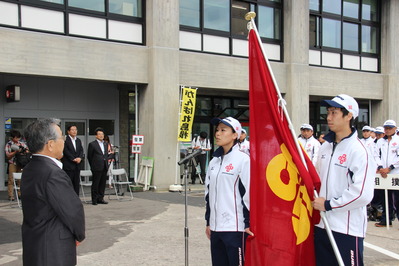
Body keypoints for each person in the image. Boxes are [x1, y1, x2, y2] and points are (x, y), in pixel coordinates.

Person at [313, 94, 375, 266]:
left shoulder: (359, 151)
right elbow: (317, 179)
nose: (329, 117)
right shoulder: (325, 147)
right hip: (322, 225)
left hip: (346, 229)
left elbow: (363, 194)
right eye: (328, 112)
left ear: (349, 116)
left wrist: (328, 204)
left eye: (334, 112)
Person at [21, 118, 85, 266]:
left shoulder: (31, 168)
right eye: (61, 136)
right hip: (53, 247)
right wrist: (78, 234)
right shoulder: (53, 173)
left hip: (34, 242)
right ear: (50, 144)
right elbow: (72, 209)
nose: (63, 140)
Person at [205, 117, 253, 266]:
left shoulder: (243, 160)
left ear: (235, 135)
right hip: (215, 228)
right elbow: (208, 194)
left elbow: (249, 194)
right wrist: (208, 221)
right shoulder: (214, 161)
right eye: (217, 130)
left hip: (235, 228)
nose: (218, 134)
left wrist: (249, 223)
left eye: (223, 130)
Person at [374, 120, 399, 227]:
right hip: (383, 174)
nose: (388, 130)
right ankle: (386, 220)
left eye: (390, 128)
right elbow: (375, 155)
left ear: (395, 128)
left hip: (395, 173)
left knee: (397, 199)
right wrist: (380, 167)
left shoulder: (398, 140)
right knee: (385, 198)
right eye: (386, 128)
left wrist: (390, 168)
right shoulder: (380, 142)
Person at [87, 127, 109, 205]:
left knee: (103, 184)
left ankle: (101, 198)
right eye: (99, 134)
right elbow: (89, 156)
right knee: (96, 184)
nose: (101, 136)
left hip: (104, 166)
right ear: (96, 136)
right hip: (96, 167)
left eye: (102, 134)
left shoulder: (106, 144)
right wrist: (92, 166)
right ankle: (94, 199)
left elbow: (106, 155)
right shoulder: (92, 144)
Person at [4, 130, 28, 201]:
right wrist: (15, 152)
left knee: (20, 180)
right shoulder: (9, 144)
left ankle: (20, 194)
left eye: (18, 138)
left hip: (21, 163)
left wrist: (24, 151)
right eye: (16, 138)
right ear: (12, 137)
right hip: (12, 163)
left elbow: (27, 151)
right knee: (11, 179)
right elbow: (8, 156)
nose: (18, 139)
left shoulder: (21, 144)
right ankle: (11, 195)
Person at [61, 125, 84, 195]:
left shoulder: (78, 140)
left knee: (76, 184)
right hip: (69, 165)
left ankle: (76, 199)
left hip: (77, 166)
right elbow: (65, 151)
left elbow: (81, 150)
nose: (74, 131)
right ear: (68, 131)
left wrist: (80, 158)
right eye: (72, 130)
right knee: (68, 183)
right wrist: (73, 159)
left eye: (76, 130)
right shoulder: (65, 140)